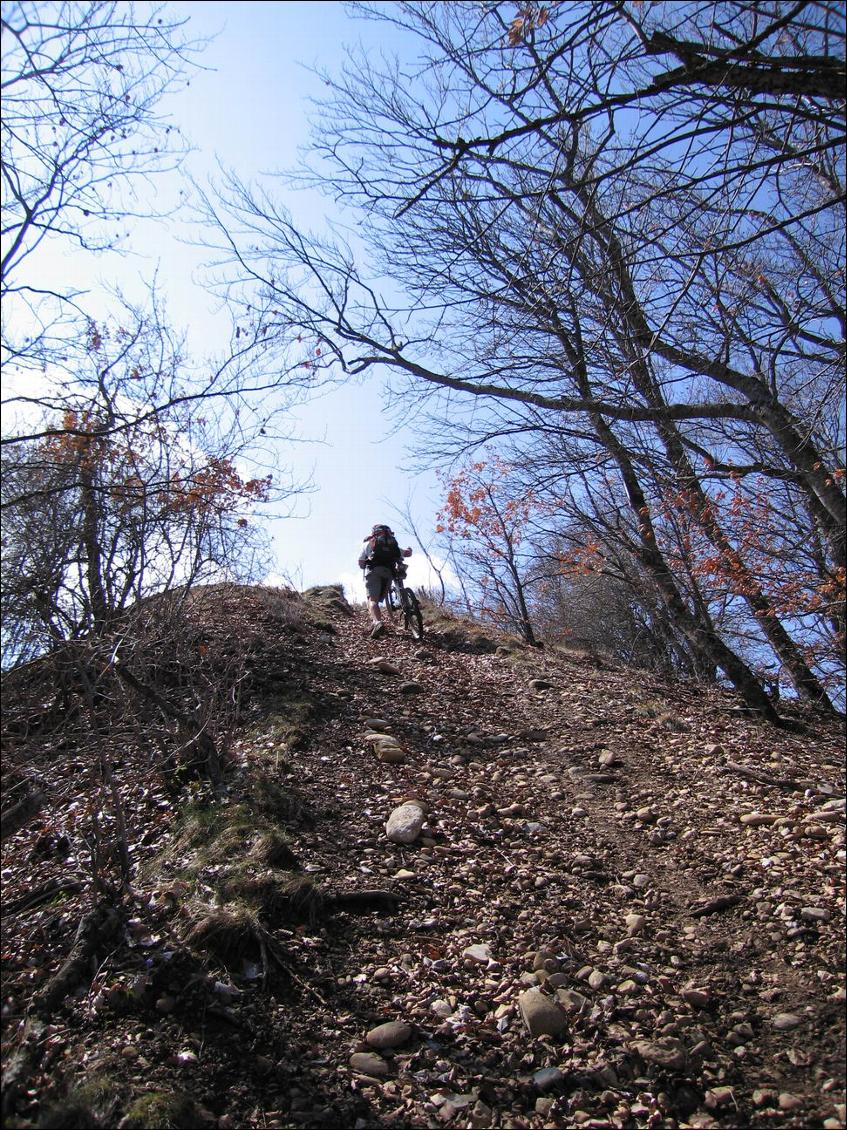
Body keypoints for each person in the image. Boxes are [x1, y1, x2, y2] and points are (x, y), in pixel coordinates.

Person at [358, 524, 413, 638]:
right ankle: (405, 602)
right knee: (386, 590)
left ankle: (377, 622)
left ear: (374, 533)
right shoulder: (392, 543)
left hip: (374, 572)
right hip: (389, 573)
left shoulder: (369, 543)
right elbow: (407, 553)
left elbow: (361, 563)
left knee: (372, 600)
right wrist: (409, 550)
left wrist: (365, 564)